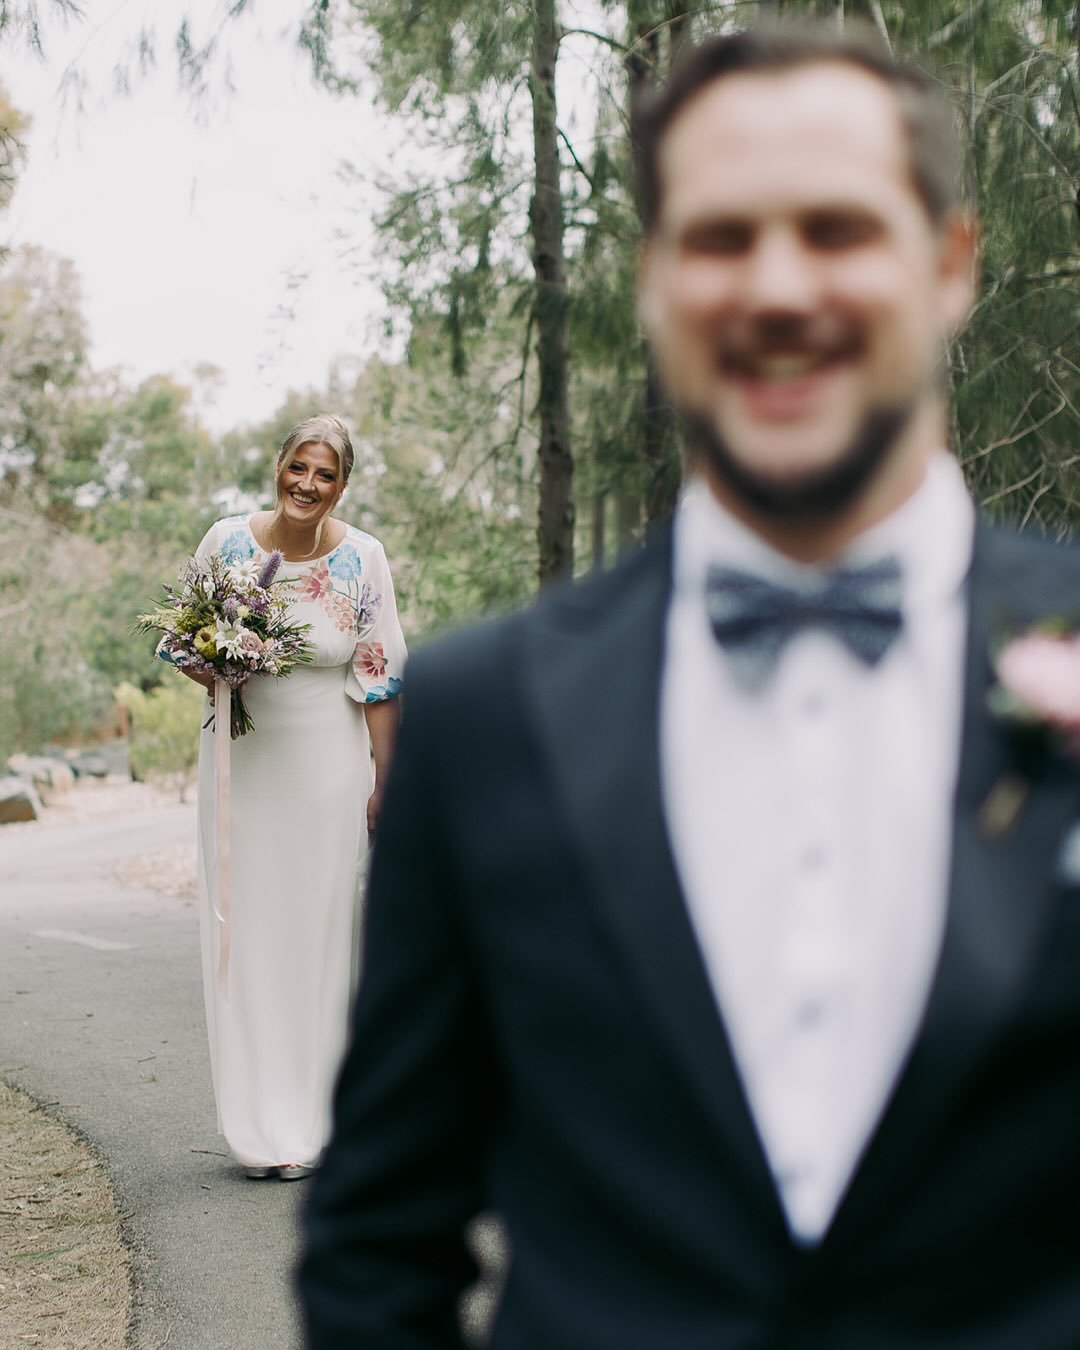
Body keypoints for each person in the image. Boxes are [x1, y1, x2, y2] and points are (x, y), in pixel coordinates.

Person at [300, 22, 1080, 1347]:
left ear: (950, 265)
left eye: (837, 229)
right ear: (656, 281)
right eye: (719, 239)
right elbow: (380, 1243)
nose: (777, 287)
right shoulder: (486, 714)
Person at [179, 413, 405, 1181]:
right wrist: (211, 657)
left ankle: (315, 1122)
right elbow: (185, 643)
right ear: (278, 466)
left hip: (328, 770)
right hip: (241, 763)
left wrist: (385, 779)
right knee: (248, 936)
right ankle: (255, 1124)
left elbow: (380, 673)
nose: (307, 484)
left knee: (320, 937)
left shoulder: (364, 559)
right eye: (298, 467)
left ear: (343, 485)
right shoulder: (225, 542)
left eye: (326, 474)